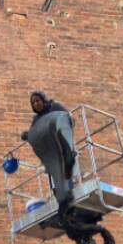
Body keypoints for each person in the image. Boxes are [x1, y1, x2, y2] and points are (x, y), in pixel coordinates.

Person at [21, 90, 77, 219]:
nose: (36, 104)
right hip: (51, 153)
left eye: (38, 101)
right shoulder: (36, 119)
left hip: (62, 145)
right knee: (54, 175)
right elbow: (35, 135)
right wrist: (27, 136)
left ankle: (69, 191)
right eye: (33, 103)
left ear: (43, 100)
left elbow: (68, 119)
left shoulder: (55, 107)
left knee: (67, 166)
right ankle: (61, 199)